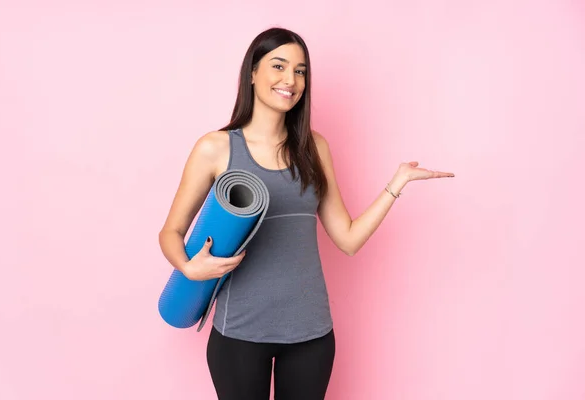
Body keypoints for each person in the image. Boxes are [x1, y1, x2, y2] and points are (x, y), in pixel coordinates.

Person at [158, 27, 454, 400]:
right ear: (252, 73)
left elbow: (346, 239)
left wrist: (396, 185)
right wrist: (189, 268)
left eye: (300, 71)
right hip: (239, 334)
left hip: (311, 335)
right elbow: (170, 232)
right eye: (278, 66)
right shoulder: (215, 148)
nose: (290, 80)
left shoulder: (314, 147)